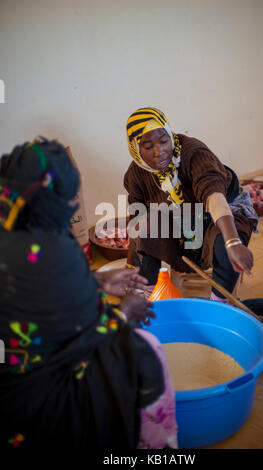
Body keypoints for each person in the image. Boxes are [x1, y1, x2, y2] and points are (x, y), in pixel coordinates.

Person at [0, 138, 178, 450]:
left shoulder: (14, 233)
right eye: (71, 199)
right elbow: (86, 338)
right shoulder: (52, 251)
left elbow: (26, 294)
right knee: (145, 350)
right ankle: (157, 449)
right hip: (39, 398)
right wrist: (125, 313)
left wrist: (93, 281)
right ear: (53, 200)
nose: (74, 207)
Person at [124, 107, 258, 301]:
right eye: (148, 146)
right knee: (146, 226)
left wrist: (233, 241)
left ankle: (218, 304)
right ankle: (150, 295)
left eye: (163, 141)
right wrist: (133, 268)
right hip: (181, 223)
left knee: (225, 240)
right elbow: (136, 221)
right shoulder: (136, 175)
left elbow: (213, 196)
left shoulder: (194, 154)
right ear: (136, 149)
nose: (159, 151)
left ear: (170, 134)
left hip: (218, 214)